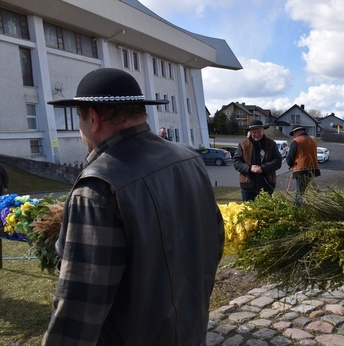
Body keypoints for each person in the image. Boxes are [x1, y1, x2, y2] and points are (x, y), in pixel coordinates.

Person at [43, 68, 224, 345]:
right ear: (140, 113)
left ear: (92, 118)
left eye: (78, 119)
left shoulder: (98, 186)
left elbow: (79, 307)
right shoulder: (189, 158)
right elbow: (214, 243)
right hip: (191, 331)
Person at [233, 120, 283, 201]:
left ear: (263, 130)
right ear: (250, 132)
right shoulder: (243, 145)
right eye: (254, 132)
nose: (256, 134)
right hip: (248, 186)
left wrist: (263, 168)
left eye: (259, 132)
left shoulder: (271, 144)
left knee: (265, 211)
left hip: (267, 185)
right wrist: (250, 168)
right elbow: (236, 162)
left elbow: (278, 161)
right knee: (248, 211)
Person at [286, 126, 321, 204]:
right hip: (312, 169)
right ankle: (300, 206)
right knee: (302, 191)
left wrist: (291, 164)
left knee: (299, 192)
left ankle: (297, 207)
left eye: (294, 133)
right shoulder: (313, 140)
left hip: (301, 169)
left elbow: (290, 157)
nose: (294, 135)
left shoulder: (296, 141)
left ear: (296, 132)